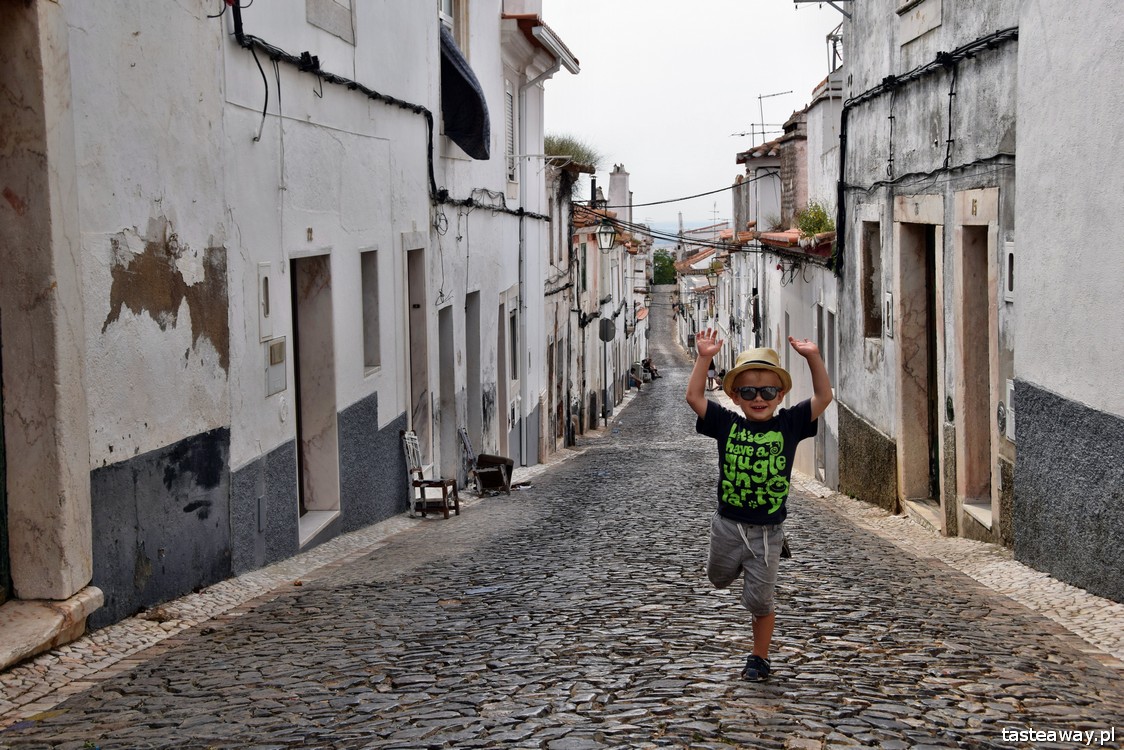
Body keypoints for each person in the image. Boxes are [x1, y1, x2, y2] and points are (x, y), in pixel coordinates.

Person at [685, 328, 833, 682]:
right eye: (749, 391)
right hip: (727, 525)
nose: (759, 398)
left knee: (761, 602)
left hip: (768, 533)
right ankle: (743, 567)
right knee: (717, 579)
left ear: (780, 395)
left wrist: (813, 356)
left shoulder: (790, 424)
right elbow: (693, 397)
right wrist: (704, 358)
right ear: (735, 396)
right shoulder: (726, 424)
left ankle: (759, 658)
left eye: (768, 391)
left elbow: (824, 397)